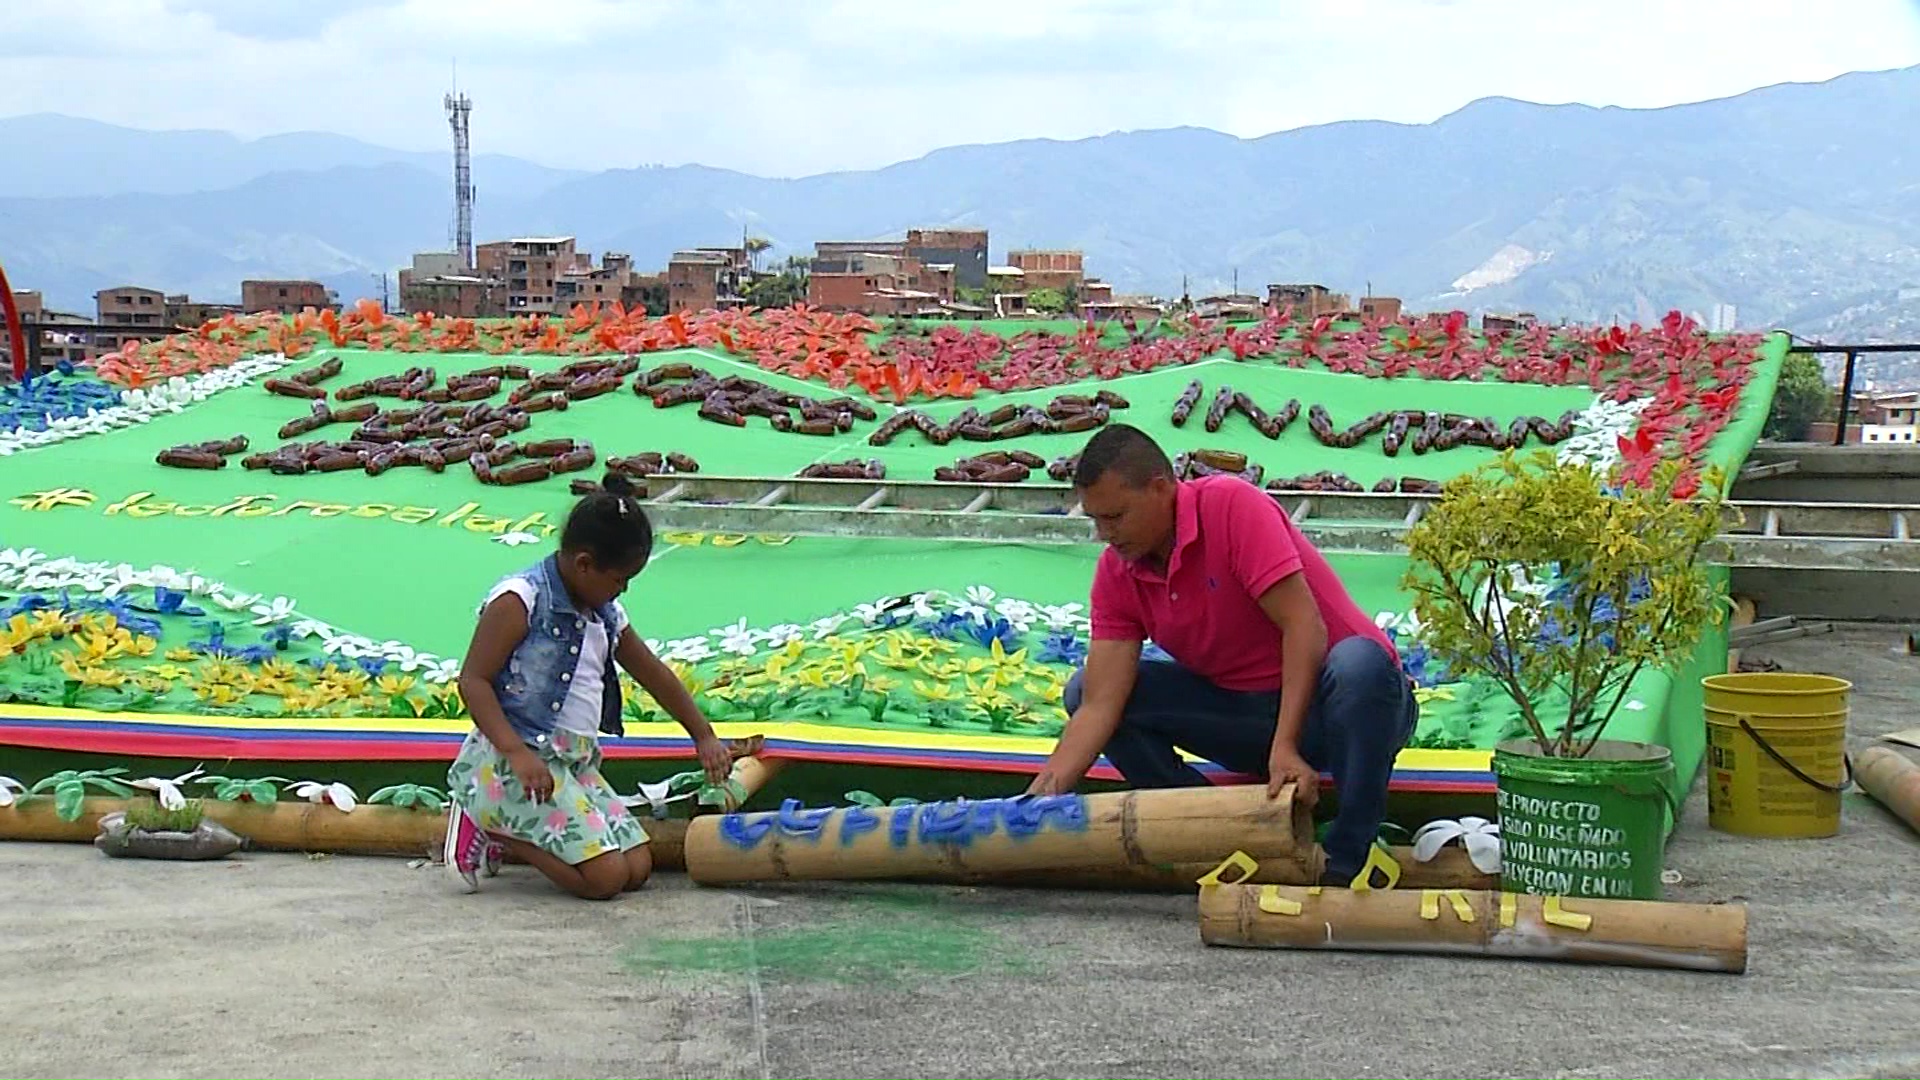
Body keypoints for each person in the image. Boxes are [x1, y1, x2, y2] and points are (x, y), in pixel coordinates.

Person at [1025, 424, 1419, 885]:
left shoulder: (1232, 506)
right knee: (1083, 690)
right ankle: (1217, 837)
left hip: (1344, 708)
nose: (1103, 534)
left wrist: (1287, 745)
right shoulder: (1118, 572)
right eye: (1095, 520)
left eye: (1115, 517)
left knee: (1360, 664)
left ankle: (1345, 859)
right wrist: (1035, 804)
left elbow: (1304, 626)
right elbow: (1099, 705)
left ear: (1160, 489)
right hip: (1247, 716)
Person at [443, 470, 731, 899]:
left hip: (574, 763)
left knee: (637, 868)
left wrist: (702, 735)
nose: (623, 590)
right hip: (516, 760)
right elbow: (474, 681)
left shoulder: (607, 613)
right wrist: (516, 753)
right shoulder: (521, 599)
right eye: (619, 579)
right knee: (605, 879)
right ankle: (486, 818)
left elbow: (652, 672)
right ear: (583, 564)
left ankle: (513, 823)